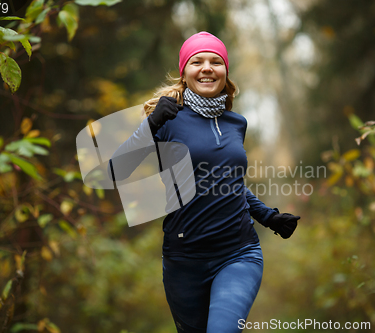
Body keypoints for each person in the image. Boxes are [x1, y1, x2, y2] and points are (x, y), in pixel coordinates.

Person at [110, 31, 300, 333]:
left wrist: (268, 216)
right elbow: (115, 171)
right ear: (185, 72)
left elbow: (228, 181)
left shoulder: (236, 123)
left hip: (238, 252)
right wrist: (151, 124)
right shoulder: (167, 117)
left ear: (226, 71)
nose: (207, 67)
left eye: (216, 61)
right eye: (197, 61)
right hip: (184, 261)